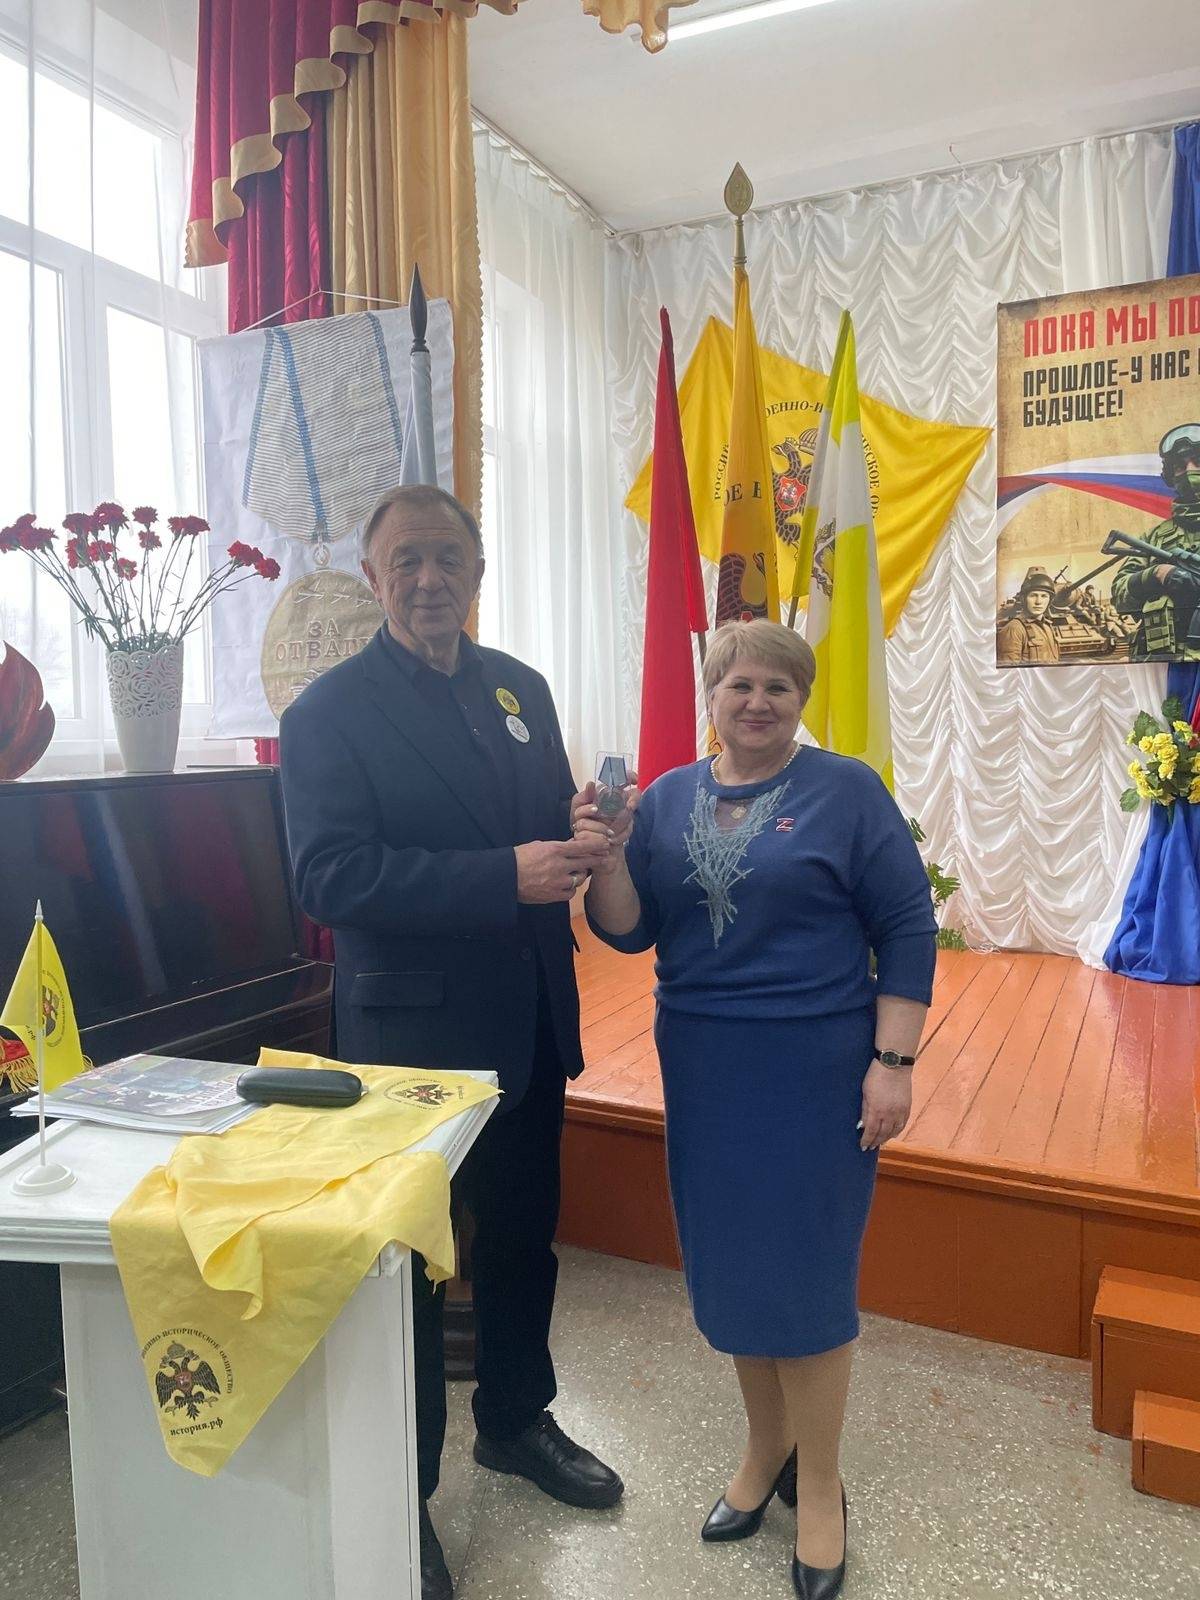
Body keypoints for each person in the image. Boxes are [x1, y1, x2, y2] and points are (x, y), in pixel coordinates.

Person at [278, 484, 623, 1600]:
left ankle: (516, 1421)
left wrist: (583, 830)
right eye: (407, 560)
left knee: (523, 1241)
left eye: (449, 559)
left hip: (530, 1019)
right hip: (411, 1049)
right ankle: (404, 1489)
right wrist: (501, 876)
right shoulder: (328, 714)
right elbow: (328, 878)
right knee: (411, 1276)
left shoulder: (520, 686)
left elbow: (537, 824)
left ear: (479, 571)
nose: (430, 580)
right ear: (373, 577)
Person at [580, 621, 936, 1600]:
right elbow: (632, 930)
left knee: (808, 1281)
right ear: (712, 693)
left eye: (779, 685)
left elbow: (908, 924)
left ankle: (819, 1487)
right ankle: (763, 1448)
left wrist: (893, 1064)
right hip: (706, 1069)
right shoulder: (667, 798)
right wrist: (609, 855)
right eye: (739, 682)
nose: (758, 700)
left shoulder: (847, 791)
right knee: (733, 1272)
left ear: (800, 700)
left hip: (816, 1069)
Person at [1111, 423, 1200, 660]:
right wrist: (1157, 574)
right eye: (1180, 466)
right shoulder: (1154, 538)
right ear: (1170, 476)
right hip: (1162, 663)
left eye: (1198, 462)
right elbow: (1120, 595)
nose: (1190, 472)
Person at [996, 566, 1060, 664]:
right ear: (1024, 599)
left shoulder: (1048, 626)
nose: (1038, 602)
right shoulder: (1014, 629)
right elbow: (1010, 671)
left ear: (1049, 600)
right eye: (1033, 595)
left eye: (1044, 596)